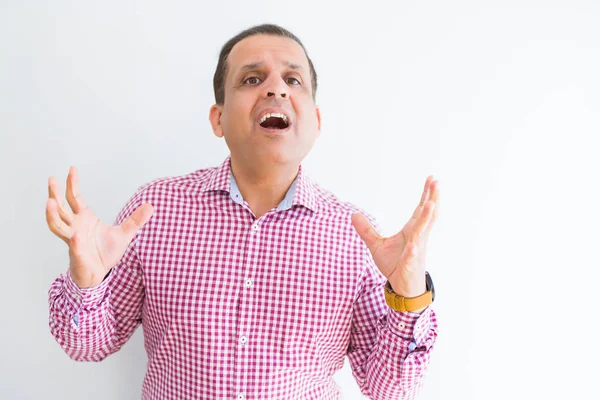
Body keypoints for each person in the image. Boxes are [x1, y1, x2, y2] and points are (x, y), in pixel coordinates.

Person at [46, 24, 440, 400]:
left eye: (293, 80)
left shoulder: (355, 235)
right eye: (252, 79)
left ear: (316, 122)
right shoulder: (154, 211)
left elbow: (390, 390)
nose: (276, 90)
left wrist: (409, 295)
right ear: (218, 118)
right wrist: (87, 281)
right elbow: (86, 346)